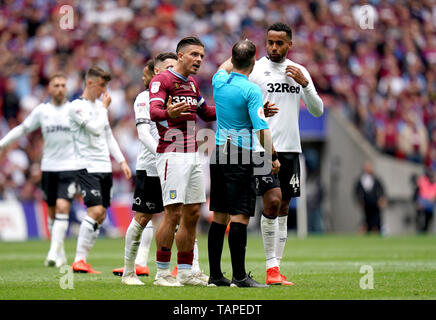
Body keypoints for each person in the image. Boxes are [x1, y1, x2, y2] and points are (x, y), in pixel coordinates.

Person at [112, 52, 208, 285]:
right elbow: (144, 133)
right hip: (153, 166)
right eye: (169, 66)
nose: (175, 70)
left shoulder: (184, 90)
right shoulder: (145, 99)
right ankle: (129, 271)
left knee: (187, 214)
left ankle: (191, 269)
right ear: (157, 72)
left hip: (178, 161)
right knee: (143, 217)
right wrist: (165, 154)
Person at [249, 22, 324, 285]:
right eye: (270, 42)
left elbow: (317, 110)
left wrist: (305, 85)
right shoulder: (255, 70)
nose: (274, 47)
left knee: (283, 207)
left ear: (289, 44)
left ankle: (275, 270)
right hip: (262, 148)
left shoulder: (299, 71)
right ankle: (270, 267)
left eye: (280, 43)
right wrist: (258, 114)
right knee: (271, 202)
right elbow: (241, 107)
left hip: (292, 149)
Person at [207, 39, 279, 288]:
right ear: (254, 59)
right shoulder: (251, 90)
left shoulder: (218, 81)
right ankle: (239, 277)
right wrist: (272, 157)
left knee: (219, 215)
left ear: (232, 58)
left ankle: (215, 276)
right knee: (240, 215)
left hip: (218, 152)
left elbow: (222, 65)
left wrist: (240, 49)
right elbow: (261, 129)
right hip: (240, 154)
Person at [149, 37, 216, 286]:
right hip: (172, 153)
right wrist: (169, 113)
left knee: (193, 212)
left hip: (192, 153)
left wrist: (236, 108)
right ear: (180, 56)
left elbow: (206, 112)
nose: (199, 59)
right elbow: (154, 111)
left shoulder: (192, 84)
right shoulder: (162, 80)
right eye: (194, 55)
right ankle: (163, 273)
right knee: (173, 213)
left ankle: (186, 272)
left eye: (201, 55)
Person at [0, 73, 77, 268]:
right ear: (50, 89)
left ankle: (52, 252)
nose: (60, 88)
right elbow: (23, 129)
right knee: (52, 213)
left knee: (62, 207)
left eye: (62, 85)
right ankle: (58, 251)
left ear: (66, 89)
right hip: (48, 167)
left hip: (69, 167)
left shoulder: (74, 111)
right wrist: (3, 143)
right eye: (56, 85)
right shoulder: (42, 111)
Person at [69, 66, 132, 274]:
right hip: (87, 166)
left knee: (102, 214)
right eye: (102, 85)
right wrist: (104, 109)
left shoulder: (99, 107)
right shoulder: (76, 107)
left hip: (104, 166)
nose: (105, 91)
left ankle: (83, 261)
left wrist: (121, 161)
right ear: (89, 83)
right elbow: (95, 129)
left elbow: (107, 136)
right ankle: (78, 260)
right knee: (95, 211)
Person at [354, 160, 387, 234]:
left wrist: (382, 199)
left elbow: (381, 189)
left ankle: (376, 231)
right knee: (366, 219)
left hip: (375, 203)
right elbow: (357, 191)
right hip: (366, 203)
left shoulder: (375, 179)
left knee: (376, 219)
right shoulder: (361, 180)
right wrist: (359, 201)